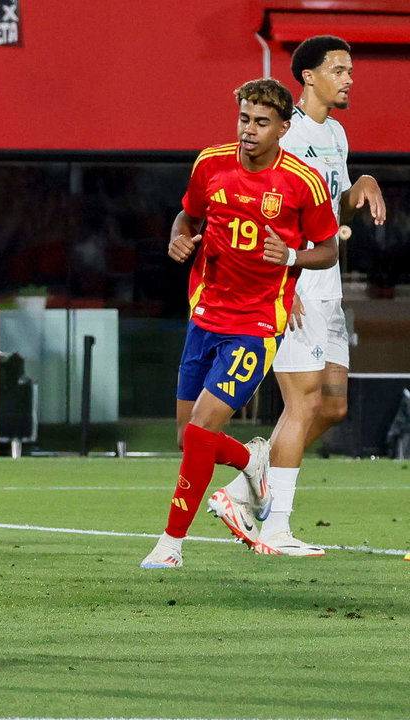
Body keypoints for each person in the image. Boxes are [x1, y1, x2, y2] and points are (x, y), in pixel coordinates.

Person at [141, 78, 339, 569]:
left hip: (256, 324)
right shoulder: (210, 163)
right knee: (189, 436)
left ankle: (170, 545)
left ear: (283, 128)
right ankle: (252, 461)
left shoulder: (303, 181)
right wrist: (179, 239)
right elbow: (186, 218)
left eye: (261, 122)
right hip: (205, 314)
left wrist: (291, 254)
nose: (249, 131)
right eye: (244, 119)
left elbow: (330, 249)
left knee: (204, 427)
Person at [209, 37, 387, 557]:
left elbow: (335, 215)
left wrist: (363, 186)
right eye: (338, 69)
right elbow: (254, 208)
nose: (349, 77)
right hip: (292, 282)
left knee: (332, 406)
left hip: (325, 282)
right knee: (303, 402)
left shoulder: (335, 133)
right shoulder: (286, 136)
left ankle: (244, 484)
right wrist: (279, 285)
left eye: (350, 69)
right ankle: (274, 528)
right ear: (308, 77)